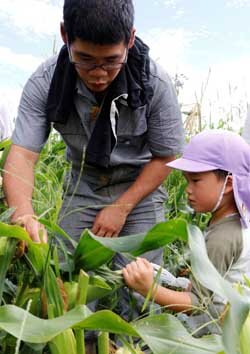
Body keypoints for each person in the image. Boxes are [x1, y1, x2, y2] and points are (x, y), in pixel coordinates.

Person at [3, 0, 183, 248]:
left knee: (139, 279)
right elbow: (22, 156)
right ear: (65, 35)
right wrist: (23, 215)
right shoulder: (44, 83)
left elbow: (166, 158)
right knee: (63, 270)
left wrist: (121, 207)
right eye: (85, 59)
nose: (98, 74)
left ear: (130, 39)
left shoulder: (156, 84)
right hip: (83, 186)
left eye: (111, 61)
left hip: (139, 187)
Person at [123, 129, 250, 334]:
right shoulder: (233, 222)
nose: (188, 189)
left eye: (196, 180)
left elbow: (198, 305)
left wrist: (148, 289)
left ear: (228, 184)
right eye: (186, 180)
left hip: (218, 337)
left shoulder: (223, 238)